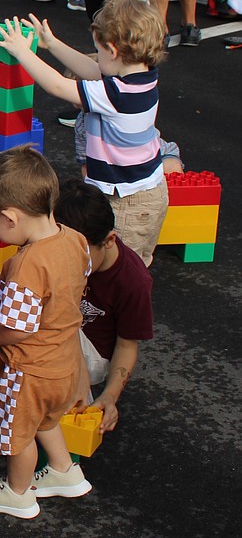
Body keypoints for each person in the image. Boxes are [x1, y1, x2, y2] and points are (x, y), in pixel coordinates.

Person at [0, 0, 168, 267]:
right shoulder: (141, 77)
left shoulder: (117, 94)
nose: (96, 57)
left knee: (119, 267)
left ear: (112, 50)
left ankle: (116, 306)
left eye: (97, 49)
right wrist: (52, 44)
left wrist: (22, 52)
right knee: (133, 264)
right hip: (144, 193)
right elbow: (94, 69)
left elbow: (59, 86)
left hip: (126, 200)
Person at [0, 146, 92, 519]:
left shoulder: (23, 266)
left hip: (29, 371)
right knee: (47, 420)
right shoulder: (74, 239)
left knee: (18, 435)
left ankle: (16, 492)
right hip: (65, 361)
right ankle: (63, 470)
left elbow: (15, 331)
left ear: (11, 217)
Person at [54, 179, 154, 434]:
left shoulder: (133, 281)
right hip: (67, 330)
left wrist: (110, 396)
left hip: (94, 353)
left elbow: (127, 344)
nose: (70, 262)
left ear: (109, 240)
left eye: (81, 255)